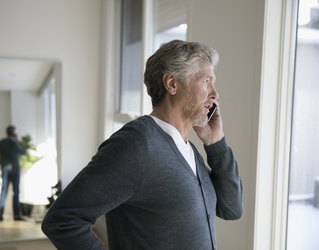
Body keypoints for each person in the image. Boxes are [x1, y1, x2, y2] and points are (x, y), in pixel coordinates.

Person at [41, 40, 243, 249]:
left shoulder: (188, 149)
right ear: (172, 84)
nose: (215, 94)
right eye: (206, 81)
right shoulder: (136, 145)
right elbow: (62, 220)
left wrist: (215, 143)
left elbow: (231, 209)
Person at [0, 125, 26, 221]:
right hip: (13, 170)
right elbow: (24, 152)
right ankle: (15, 215)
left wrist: (1, 162)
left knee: (5, 192)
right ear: (14, 132)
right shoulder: (15, 143)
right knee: (13, 192)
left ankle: (2, 215)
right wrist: (16, 141)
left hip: (8, 169)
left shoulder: (2, 142)